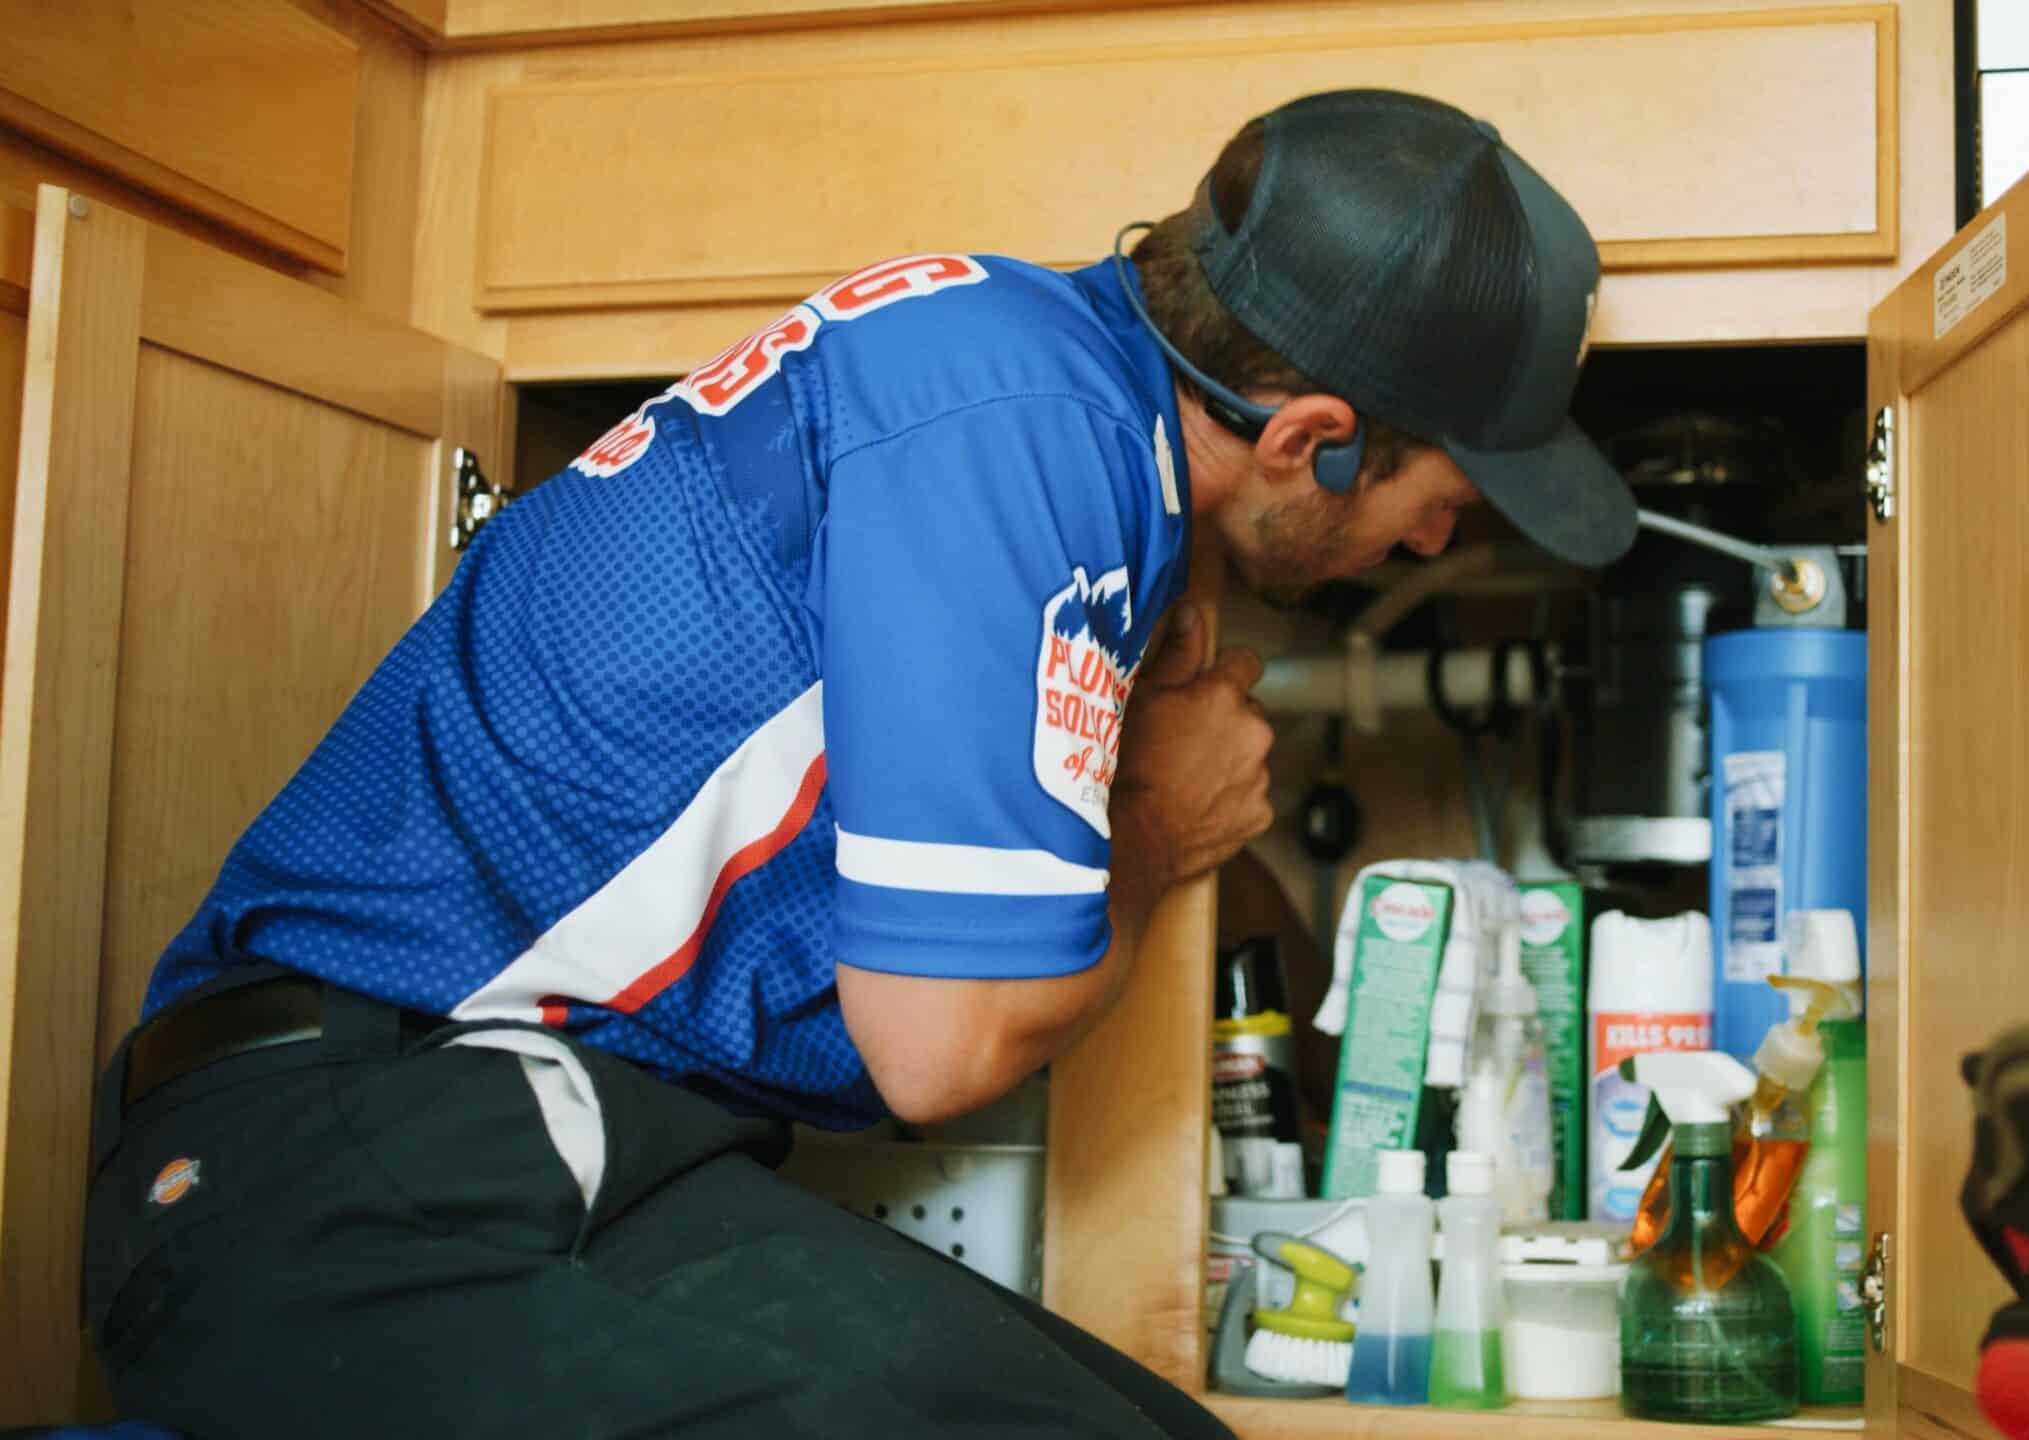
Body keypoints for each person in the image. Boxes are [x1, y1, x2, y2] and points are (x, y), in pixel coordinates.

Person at [79, 88, 1637, 1438]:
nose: (1443, 537)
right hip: (328, 1163)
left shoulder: (1049, 377)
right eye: (1442, 491)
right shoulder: (1032, 431)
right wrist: (1154, 825)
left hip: (543, 1140)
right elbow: (938, 1049)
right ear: (1313, 439)